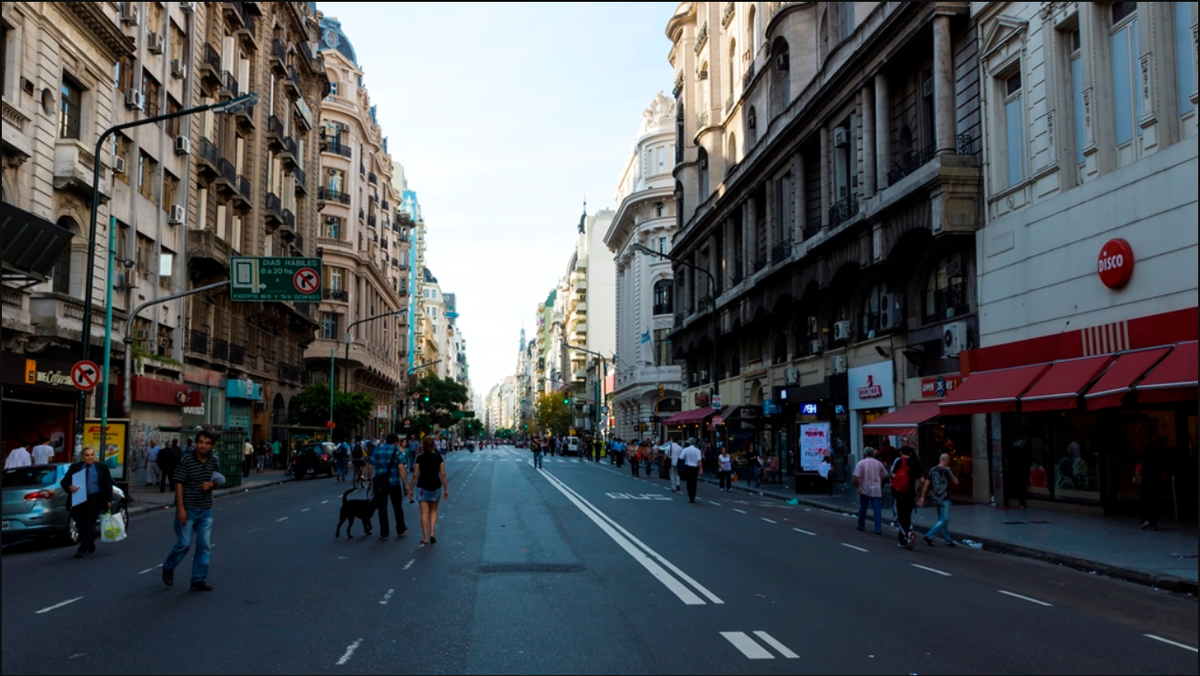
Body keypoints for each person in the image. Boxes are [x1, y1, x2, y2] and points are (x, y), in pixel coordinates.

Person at [162, 428, 221, 591]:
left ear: (211, 446)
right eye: (201, 442)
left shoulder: (213, 461)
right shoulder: (186, 460)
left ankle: (198, 578)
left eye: (207, 443)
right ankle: (168, 566)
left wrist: (212, 484)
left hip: (205, 510)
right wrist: (180, 508)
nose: (203, 446)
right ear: (196, 443)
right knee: (184, 543)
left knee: (204, 545)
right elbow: (179, 483)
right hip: (188, 509)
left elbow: (217, 479)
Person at [60, 446, 114, 558]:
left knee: (89, 523)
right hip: (79, 499)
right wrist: (70, 487)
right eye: (87, 455)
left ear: (95, 456)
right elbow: (64, 481)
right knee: (80, 524)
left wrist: (108, 500)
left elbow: (107, 484)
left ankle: (82, 549)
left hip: (95, 499)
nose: (89, 457)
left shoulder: (101, 467)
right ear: (82, 456)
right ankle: (90, 543)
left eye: (92, 455)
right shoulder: (75, 467)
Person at [367, 433, 410, 541]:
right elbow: (401, 468)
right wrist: (405, 483)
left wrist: (369, 479)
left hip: (380, 484)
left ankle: (384, 533)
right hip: (394, 482)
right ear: (396, 442)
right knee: (397, 507)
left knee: (382, 508)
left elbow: (371, 466)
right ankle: (401, 529)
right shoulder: (396, 451)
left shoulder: (377, 450)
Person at [412, 437, 449, 545]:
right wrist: (446, 488)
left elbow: (415, 475)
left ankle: (425, 537)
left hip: (422, 487)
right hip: (436, 486)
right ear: (433, 445)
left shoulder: (419, 458)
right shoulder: (438, 458)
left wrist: (410, 488)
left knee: (424, 512)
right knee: (433, 510)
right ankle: (432, 533)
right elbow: (443, 474)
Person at [891, 445, 928, 550]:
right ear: (911, 454)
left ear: (901, 453)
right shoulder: (915, 464)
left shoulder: (899, 462)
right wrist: (918, 490)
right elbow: (922, 480)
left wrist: (899, 478)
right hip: (910, 494)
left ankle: (907, 534)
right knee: (907, 516)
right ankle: (902, 541)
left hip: (899, 493)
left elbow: (893, 475)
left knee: (899, 516)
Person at [923, 453, 959, 546]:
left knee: (942, 520)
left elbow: (926, 485)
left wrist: (922, 497)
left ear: (939, 459)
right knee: (944, 520)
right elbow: (956, 482)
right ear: (947, 461)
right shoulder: (946, 470)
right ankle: (929, 535)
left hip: (936, 497)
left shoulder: (932, 469)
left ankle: (948, 540)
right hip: (945, 497)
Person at [853, 447, 889, 535]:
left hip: (865, 488)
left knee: (863, 508)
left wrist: (859, 487)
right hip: (876, 490)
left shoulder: (861, 463)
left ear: (865, 454)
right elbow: (885, 474)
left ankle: (861, 525)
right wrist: (879, 481)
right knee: (877, 509)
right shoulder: (879, 463)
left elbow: (857, 476)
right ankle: (878, 529)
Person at [1136, 440, 1167, 531]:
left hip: (1144, 486)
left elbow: (1137, 471)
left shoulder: (1142, 461)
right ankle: (1153, 524)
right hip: (1155, 486)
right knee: (1154, 505)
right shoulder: (1158, 461)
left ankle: (1145, 520)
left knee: (1145, 505)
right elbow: (1163, 474)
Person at [680, 437, 703, 503]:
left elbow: (681, 458)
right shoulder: (698, 450)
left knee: (689, 482)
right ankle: (693, 495)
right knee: (694, 482)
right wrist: (701, 468)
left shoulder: (685, 450)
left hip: (688, 467)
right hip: (695, 467)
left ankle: (691, 496)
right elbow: (699, 460)